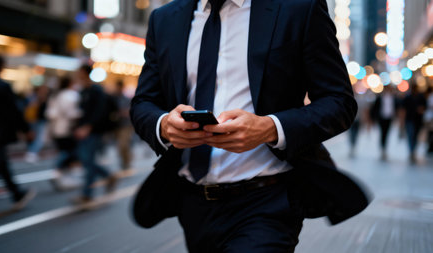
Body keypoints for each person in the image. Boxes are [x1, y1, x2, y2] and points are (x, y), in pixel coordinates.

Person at [130, 0, 369, 252]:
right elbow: (144, 102)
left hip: (267, 201)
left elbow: (338, 102)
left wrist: (270, 127)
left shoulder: (299, 8)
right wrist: (164, 125)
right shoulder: (164, 19)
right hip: (193, 203)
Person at [0, 55, 36, 218]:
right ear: (1, 67)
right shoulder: (3, 87)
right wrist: (26, 129)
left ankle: (17, 193)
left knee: (0, 163)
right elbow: (14, 111)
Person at [72, 65, 118, 204]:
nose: (78, 75)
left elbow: (99, 111)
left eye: (79, 72)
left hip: (94, 131)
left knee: (88, 161)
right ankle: (108, 176)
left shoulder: (95, 90)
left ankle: (87, 194)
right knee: (86, 161)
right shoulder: (82, 91)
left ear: (85, 73)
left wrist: (88, 127)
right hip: (83, 131)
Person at [46, 77, 82, 191]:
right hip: (68, 128)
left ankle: (63, 177)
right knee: (68, 152)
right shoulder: (71, 95)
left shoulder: (55, 96)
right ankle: (56, 172)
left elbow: (50, 114)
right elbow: (73, 113)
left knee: (64, 151)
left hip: (56, 128)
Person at [401, 84, 427, 163]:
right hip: (409, 120)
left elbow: (424, 107)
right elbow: (403, 109)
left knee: (415, 136)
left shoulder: (421, 97)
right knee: (410, 135)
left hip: (418, 120)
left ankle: (413, 150)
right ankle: (411, 151)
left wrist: (421, 110)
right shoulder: (408, 97)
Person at [370, 85, 398, 161]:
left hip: (389, 118)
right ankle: (382, 148)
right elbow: (374, 108)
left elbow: (396, 107)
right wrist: (373, 119)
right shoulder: (379, 98)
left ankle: (385, 147)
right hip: (381, 118)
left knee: (387, 133)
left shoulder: (393, 98)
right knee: (382, 133)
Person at [24, 84, 50, 163]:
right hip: (36, 120)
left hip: (37, 120)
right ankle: (31, 153)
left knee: (35, 137)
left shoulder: (35, 97)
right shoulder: (36, 98)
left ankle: (31, 152)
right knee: (38, 138)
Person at [114, 81, 134, 171]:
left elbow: (129, 111)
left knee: (123, 144)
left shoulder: (126, 99)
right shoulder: (114, 98)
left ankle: (127, 161)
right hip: (117, 125)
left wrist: (120, 113)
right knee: (120, 146)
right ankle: (124, 161)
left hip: (126, 125)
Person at [424, 87, 433, 155]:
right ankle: (430, 147)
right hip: (430, 118)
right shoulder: (430, 97)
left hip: (429, 118)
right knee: (430, 133)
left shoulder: (429, 97)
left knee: (430, 133)